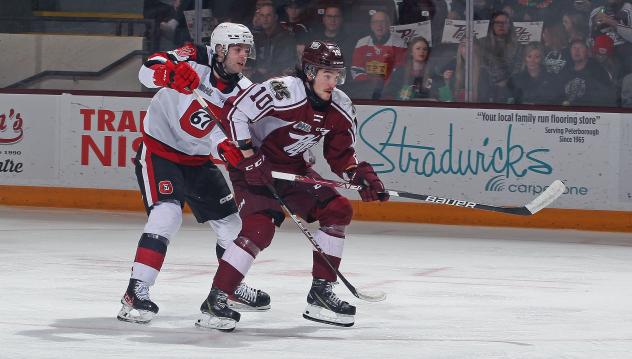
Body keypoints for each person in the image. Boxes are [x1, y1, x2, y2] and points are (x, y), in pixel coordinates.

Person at [196, 40, 389, 331]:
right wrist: (249, 156)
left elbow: (342, 156)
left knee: (337, 209)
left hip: (292, 169)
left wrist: (361, 176)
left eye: (337, 75)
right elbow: (236, 112)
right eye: (326, 74)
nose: (333, 82)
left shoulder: (341, 105)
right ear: (310, 72)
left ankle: (321, 294)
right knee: (260, 228)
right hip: (254, 167)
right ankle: (216, 299)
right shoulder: (283, 91)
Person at [117, 23, 270, 325]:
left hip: (197, 160)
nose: (244, 56)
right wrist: (169, 74)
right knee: (167, 215)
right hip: (160, 150)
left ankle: (231, 286)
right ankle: (136, 292)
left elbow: (219, 128)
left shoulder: (243, 92)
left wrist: (225, 145)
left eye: (246, 51)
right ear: (221, 49)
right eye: (238, 49)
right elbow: (146, 71)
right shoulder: (194, 55)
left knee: (232, 225)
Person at [350, 10, 407, 99]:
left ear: (388, 24)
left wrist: (381, 87)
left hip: (390, 94)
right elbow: (356, 70)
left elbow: (399, 72)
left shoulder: (399, 43)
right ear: (371, 26)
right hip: (365, 93)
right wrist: (370, 86)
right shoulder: (361, 43)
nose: (379, 25)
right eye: (375, 22)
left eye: (382, 22)